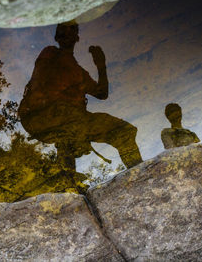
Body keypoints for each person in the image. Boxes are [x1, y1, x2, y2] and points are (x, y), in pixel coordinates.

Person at [18, 21, 143, 170]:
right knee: (118, 131)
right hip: (51, 116)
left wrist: (101, 66)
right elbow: (38, 84)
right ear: (57, 37)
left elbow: (102, 94)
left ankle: (139, 172)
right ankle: (141, 172)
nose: (67, 33)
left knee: (121, 132)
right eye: (63, 30)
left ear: (77, 37)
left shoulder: (80, 73)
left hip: (66, 119)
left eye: (72, 30)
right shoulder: (50, 53)